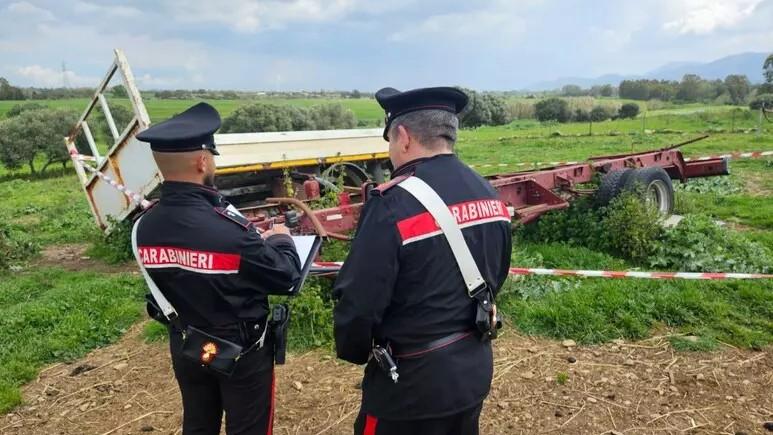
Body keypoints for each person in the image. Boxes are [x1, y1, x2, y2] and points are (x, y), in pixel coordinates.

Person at [333, 87, 512, 435]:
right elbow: (497, 274)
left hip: (410, 388)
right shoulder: (488, 192)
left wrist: (355, 350)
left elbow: (359, 302)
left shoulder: (391, 205)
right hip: (472, 371)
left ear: (403, 137)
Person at [133, 102, 301, 435]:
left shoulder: (143, 227)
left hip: (187, 343)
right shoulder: (229, 231)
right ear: (201, 160)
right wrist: (281, 239)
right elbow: (286, 277)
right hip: (243, 353)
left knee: (198, 423)